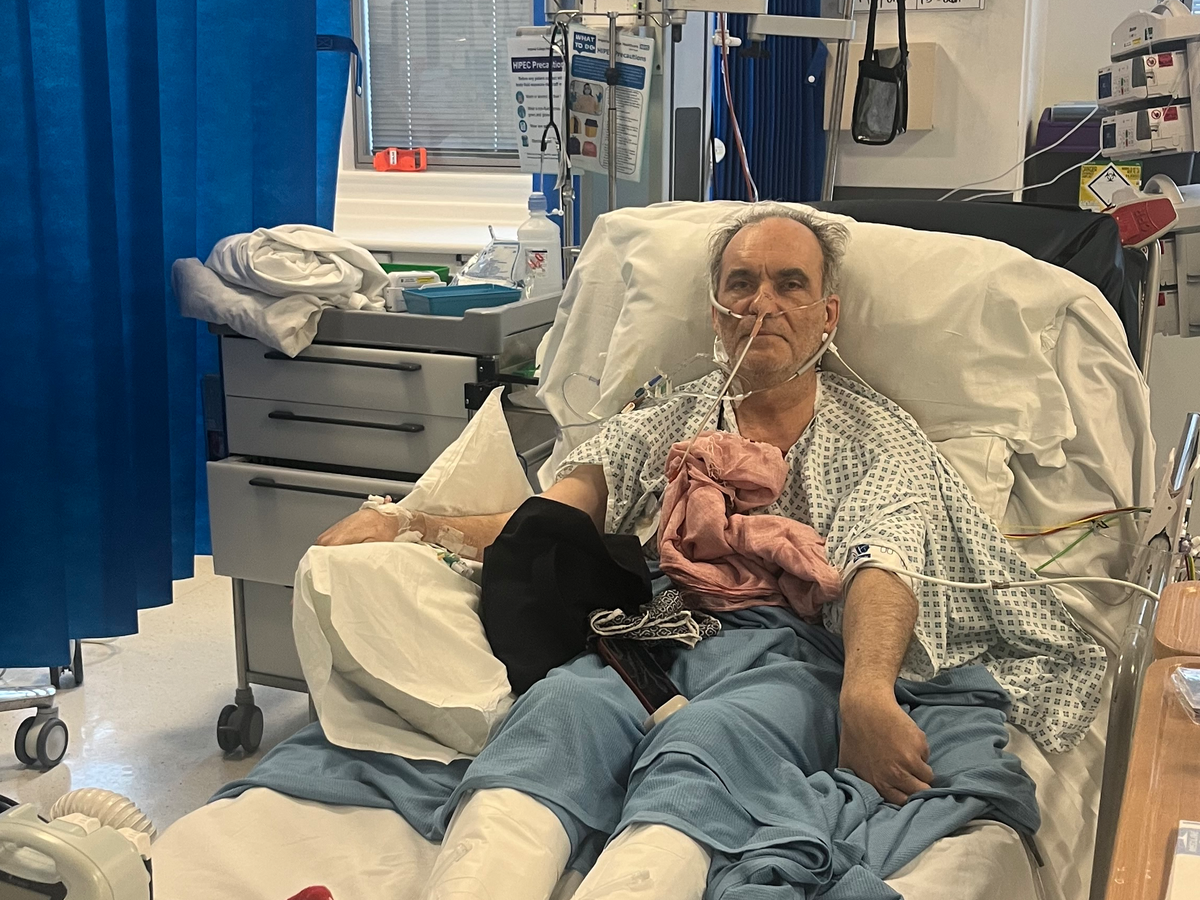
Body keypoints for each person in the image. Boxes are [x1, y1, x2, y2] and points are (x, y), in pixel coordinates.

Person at [314, 206, 1103, 899]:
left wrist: (866, 694)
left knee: (710, 742)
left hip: (794, 656)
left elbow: (881, 561)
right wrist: (406, 523)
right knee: (559, 713)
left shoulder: (877, 437)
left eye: (790, 285)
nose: (763, 303)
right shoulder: (670, 422)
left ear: (827, 315)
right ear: (717, 312)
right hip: (652, 635)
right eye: (742, 284)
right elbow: (551, 520)